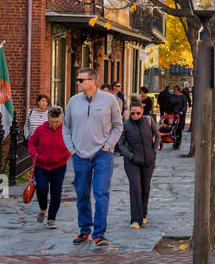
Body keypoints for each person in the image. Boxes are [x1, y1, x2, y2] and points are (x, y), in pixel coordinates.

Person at [63, 67, 124, 246]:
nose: (78, 82)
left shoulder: (110, 100)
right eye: (78, 79)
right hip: (79, 155)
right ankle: (84, 231)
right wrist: (71, 149)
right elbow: (66, 127)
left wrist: (108, 146)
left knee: (101, 192)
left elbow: (118, 126)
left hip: (102, 154)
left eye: (81, 80)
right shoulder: (73, 101)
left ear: (92, 81)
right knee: (82, 194)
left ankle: (99, 234)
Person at [116, 99, 161, 228]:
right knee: (136, 188)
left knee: (145, 188)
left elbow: (157, 136)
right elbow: (120, 144)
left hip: (148, 160)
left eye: (138, 113)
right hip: (132, 162)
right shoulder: (125, 125)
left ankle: (144, 214)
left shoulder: (149, 121)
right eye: (133, 113)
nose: (135, 116)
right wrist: (130, 155)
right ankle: (135, 219)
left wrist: (154, 151)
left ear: (142, 112)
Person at [26, 105, 72, 228]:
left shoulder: (66, 131)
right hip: (41, 166)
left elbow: (73, 144)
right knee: (41, 189)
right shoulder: (41, 129)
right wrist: (34, 154)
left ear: (62, 119)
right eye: (51, 121)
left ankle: (51, 218)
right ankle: (43, 209)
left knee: (56, 191)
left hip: (59, 166)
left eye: (57, 122)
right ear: (48, 118)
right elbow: (31, 142)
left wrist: (65, 156)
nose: (54, 124)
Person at [169, 85, 187, 149]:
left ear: (179, 90)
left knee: (179, 129)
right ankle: (174, 142)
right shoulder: (172, 96)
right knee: (173, 128)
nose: (174, 91)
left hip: (180, 115)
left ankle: (178, 143)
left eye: (175, 90)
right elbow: (169, 104)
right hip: (173, 114)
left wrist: (182, 111)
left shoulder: (183, 96)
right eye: (174, 89)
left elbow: (185, 105)